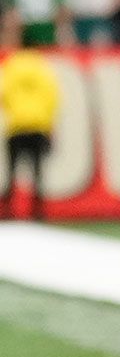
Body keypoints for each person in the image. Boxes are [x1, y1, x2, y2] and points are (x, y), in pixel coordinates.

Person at [1, 11, 59, 220]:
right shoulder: (42, 67)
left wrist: (15, 110)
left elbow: (3, 94)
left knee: (11, 172)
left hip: (16, 125)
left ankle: (7, 212)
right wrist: (49, 123)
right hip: (37, 125)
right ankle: (38, 213)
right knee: (37, 173)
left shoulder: (12, 65)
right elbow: (52, 96)